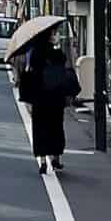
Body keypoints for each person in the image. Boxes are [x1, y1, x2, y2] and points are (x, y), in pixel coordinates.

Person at [21, 29, 79, 176]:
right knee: (56, 128)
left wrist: (28, 100)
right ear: (49, 37)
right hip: (56, 97)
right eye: (53, 34)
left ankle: (42, 162)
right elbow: (65, 67)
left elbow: (28, 74)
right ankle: (56, 158)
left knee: (40, 128)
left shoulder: (34, 54)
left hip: (39, 98)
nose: (55, 36)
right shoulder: (58, 54)